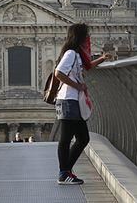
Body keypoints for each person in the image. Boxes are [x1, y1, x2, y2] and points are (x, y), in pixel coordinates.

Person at [54, 23, 108, 184]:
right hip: (68, 100)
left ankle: (66, 171)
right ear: (81, 37)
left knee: (83, 138)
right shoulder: (71, 53)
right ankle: (64, 173)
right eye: (87, 35)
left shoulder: (75, 54)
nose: (88, 38)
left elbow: (86, 67)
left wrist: (102, 59)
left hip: (73, 100)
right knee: (67, 138)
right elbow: (58, 73)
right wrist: (77, 86)